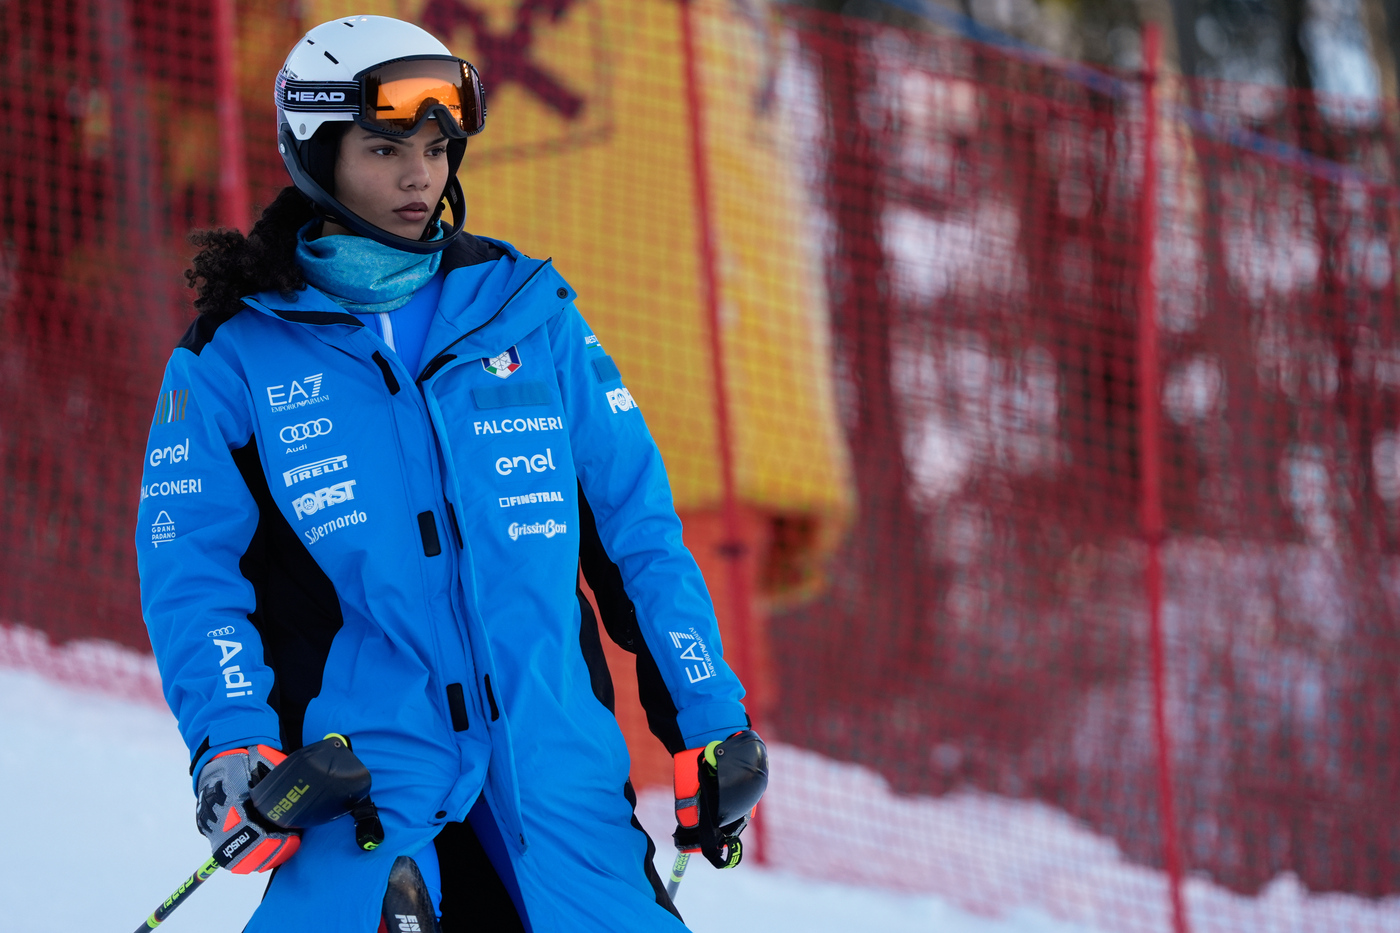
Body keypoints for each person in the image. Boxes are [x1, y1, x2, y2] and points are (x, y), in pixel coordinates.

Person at [135, 14, 767, 933]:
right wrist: (232, 744)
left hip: (559, 788)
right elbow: (190, 576)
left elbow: (638, 532)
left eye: (435, 147)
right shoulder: (234, 357)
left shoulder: (529, 314)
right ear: (317, 156)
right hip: (364, 794)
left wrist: (708, 714)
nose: (418, 175)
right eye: (385, 147)